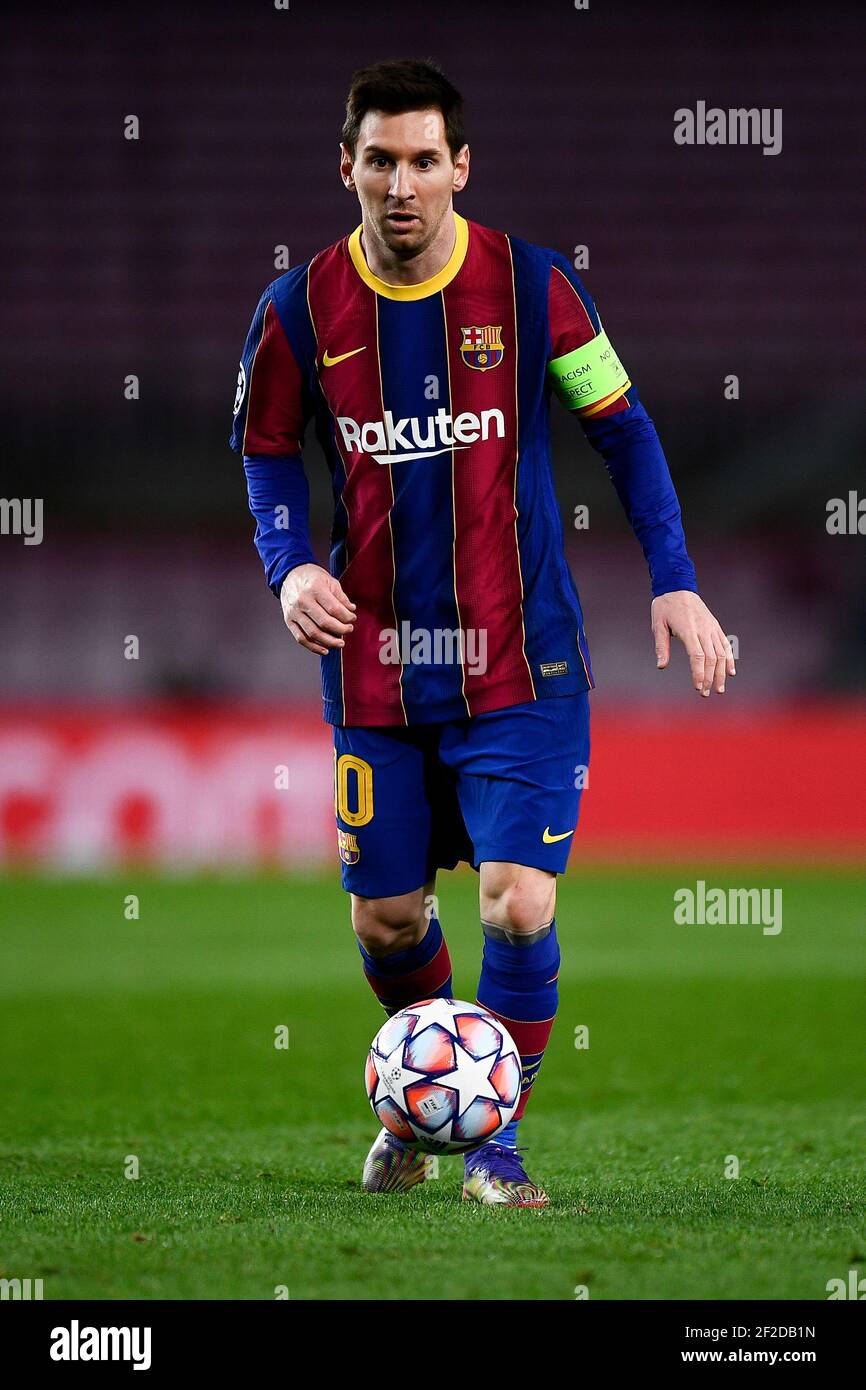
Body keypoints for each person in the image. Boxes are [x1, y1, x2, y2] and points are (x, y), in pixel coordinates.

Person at [230, 58, 734, 1207]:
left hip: (523, 664)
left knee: (517, 898)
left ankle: (493, 1149)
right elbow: (262, 448)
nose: (400, 185)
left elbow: (623, 428)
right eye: (378, 161)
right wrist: (288, 561)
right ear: (345, 168)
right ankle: (419, 1106)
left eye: (422, 161)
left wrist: (675, 579)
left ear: (459, 166)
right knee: (388, 914)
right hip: (376, 669)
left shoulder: (534, 286)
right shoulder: (296, 311)